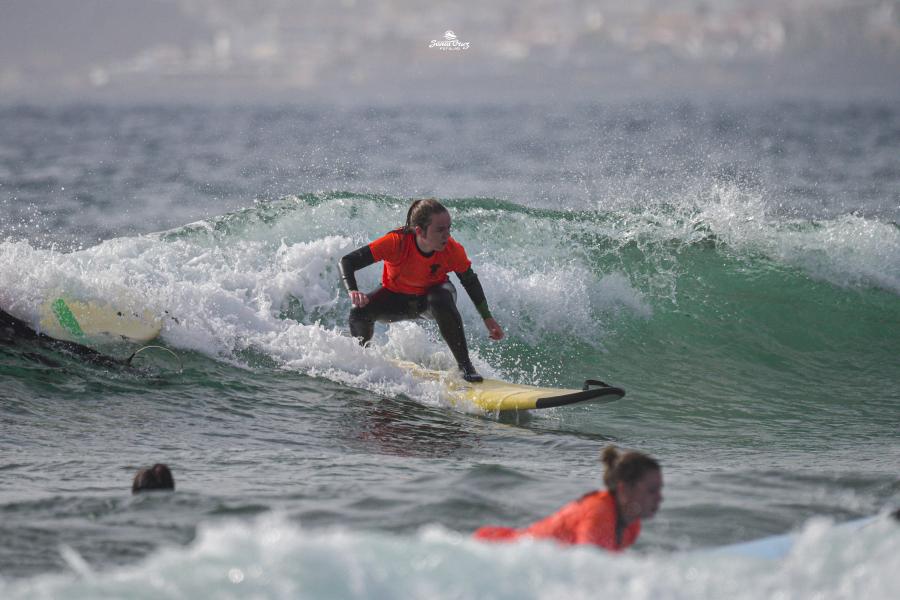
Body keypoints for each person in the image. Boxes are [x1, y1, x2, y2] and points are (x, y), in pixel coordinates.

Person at [339, 199, 503, 382]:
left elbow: (470, 281)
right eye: (440, 230)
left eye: (449, 228)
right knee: (359, 312)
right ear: (419, 231)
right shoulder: (396, 243)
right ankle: (363, 361)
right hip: (396, 300)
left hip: (431, 301)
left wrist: (487, 317)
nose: (447, 235)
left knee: (438, 297)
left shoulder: (452, 250)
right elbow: (347, 261)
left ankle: (466, 367)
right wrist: (353, 290)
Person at [474, 446, 663, 551]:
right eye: (652, 490)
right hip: (493, 550)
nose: (659, 498)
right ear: (624, 489)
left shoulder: (631, 525)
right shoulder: (599, 514)